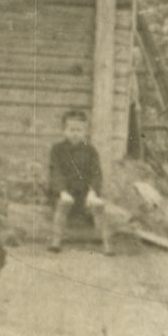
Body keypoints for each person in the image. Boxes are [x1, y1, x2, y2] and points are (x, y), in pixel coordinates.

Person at [47, 108, 112, 255]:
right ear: (64, 131)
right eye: (71, 129)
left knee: (98, 205)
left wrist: (93, 192)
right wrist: (62, 192)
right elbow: (55, 172)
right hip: (64, 192)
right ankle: (56, 240)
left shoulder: (90, 151)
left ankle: (106, 243)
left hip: (84, 193)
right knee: (64, 204)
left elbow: (96, 174)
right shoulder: (57, 150)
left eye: (79, 130)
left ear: (85, 132)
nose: (75, 133)